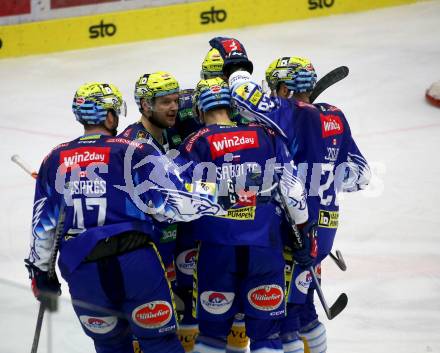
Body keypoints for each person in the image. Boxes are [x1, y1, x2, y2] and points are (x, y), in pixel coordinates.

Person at [25, 82, 231, 353]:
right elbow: (177, 200)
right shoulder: (132, 149)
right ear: (110, 116)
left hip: (84, 271)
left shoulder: (55, 158)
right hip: (135, 262)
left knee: (110, 346)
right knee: (161, 344)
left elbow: (43, 227)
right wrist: (223, 192)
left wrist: (41, 274)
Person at [229, 57, 371, 353]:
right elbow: (361, 176)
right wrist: (324, 173)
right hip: (326, 226)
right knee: (304, 309)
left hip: (297, 228)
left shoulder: (289, 112)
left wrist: (236, 67)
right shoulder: (334, 115)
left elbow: (244, 95)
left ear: (283, 88)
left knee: (283, 318)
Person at [179, 77, 316, 353]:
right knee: (267, 336)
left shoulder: (195, 142)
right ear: (231, 105)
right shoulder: (266, 135)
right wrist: (303, 231)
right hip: (264, 246)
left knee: (213, 336)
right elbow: (292, 190)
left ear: (199, 109)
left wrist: (222, 190)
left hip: (216, 249)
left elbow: (180, 193)